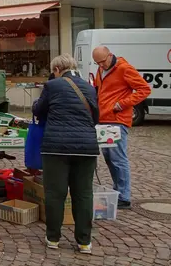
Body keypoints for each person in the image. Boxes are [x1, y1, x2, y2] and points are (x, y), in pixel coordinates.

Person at [33, 54, 99, 254]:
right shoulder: (89, 87)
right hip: (86, 147)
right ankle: (84, 242)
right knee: (84, 194)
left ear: (56, 70)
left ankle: (53, 238)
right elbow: (95, 116)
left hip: (56, 147)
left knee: (56, 194)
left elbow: (38, 110)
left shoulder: (52, 86)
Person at [92, 45, 150, 209]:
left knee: (118, 158)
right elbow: (99, 91)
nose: (100, 66)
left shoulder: (123, 68)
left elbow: (144, 89)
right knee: (110, 158)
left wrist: (122, 104)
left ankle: (124, 196)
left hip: (117, 120)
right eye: (97, 63)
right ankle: (119, 192)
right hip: (103, 119)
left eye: (102, 62)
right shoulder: (101, 70)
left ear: (110, 55)